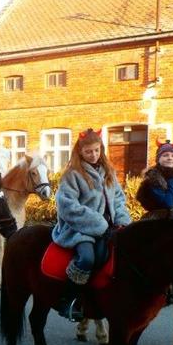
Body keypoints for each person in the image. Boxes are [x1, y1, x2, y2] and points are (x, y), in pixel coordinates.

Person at [51, 128, 131, 320]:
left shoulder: (109, 171)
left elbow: (118, 199)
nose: (93, 155)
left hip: (109, 228)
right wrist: (99, 224)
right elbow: (67, 206)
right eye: (88, 152)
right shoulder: (72, 175)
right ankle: (68, 300)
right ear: (80, 152)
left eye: (96, 150)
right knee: (87, 258)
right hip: (80, 229)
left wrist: (122, 221)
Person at [135, 138, 173, 220]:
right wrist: (171, 178)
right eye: (165, 155)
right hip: (156, 221)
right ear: (158, 159)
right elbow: (168, 204)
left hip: (170, 218)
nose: (170, 158)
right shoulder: (153, 178)